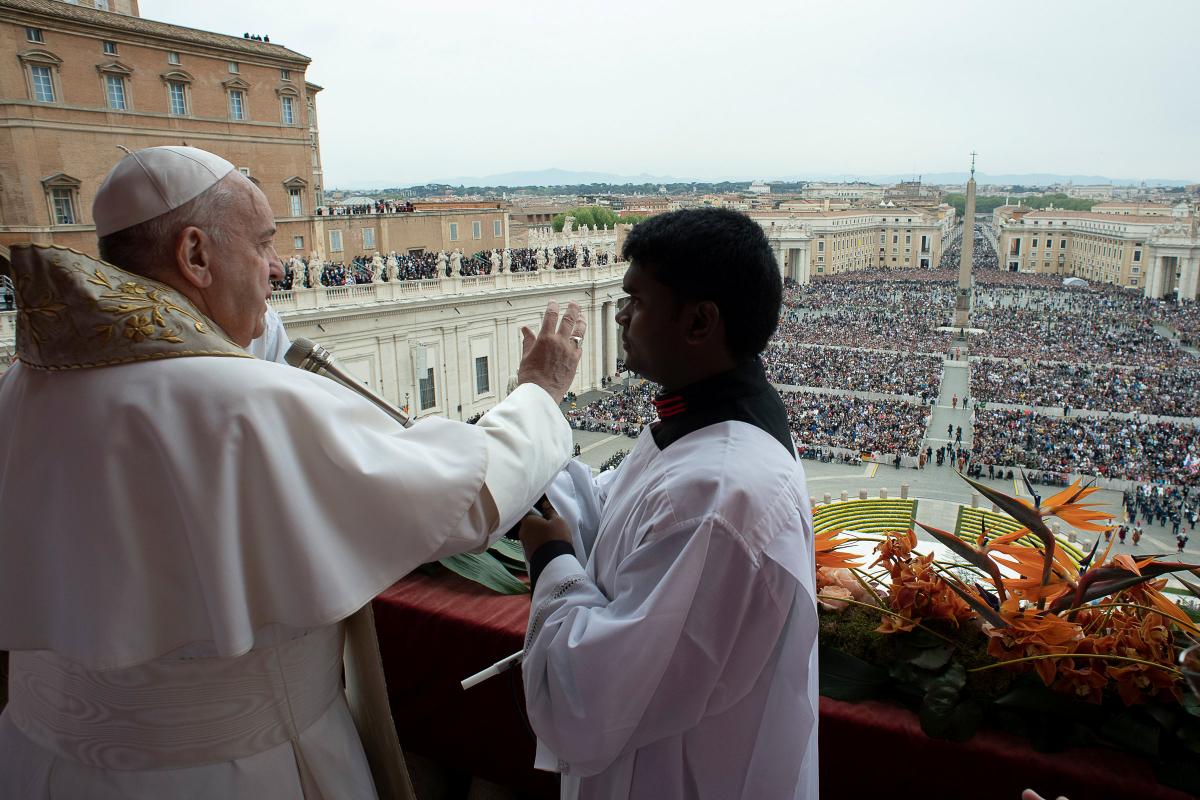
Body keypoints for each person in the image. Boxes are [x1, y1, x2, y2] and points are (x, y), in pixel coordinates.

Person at [0, 146, 587, 799]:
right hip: (232, 771)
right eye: (262, 245)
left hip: (42, 760)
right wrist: (538, 392)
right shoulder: (244, 405)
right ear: (195, 255)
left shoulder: (24, 386)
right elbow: (467, 497)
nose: (278, 269)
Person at [518, 208, 819, 799]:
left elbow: (589, 696)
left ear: (700, 322)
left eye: (636, 299)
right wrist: (532, 415)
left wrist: (550, 559)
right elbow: (616, 521)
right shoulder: (704, 424)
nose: (622, 314)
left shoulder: (716, 495)